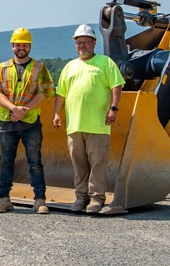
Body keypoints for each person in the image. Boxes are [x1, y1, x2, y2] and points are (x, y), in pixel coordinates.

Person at [52, 24, 126, 214]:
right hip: (75, 125)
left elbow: (116, 86)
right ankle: (81, 197)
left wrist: (113, 108)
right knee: (79, 164)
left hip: (98, 125)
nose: (82, 45)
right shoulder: (69, 67)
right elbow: (61, 93)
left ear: (94, 43)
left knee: (98, 163)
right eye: (78, 42)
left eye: (85, 42)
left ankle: (96, 198)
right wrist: (57, 113)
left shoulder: (105, 63)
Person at [0, 27, 56, 214]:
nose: (21, 48)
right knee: (6, 162)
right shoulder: (2, 68)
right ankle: (3, 199)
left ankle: (40, 200)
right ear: (12, 46)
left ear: (30, 46)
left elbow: (45, 92)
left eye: (25, 45)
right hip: (7, 122)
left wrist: (24, 110)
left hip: (30, 123)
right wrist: (13, 109)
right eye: (18, 44)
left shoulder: (39, 68)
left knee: (35, 162)